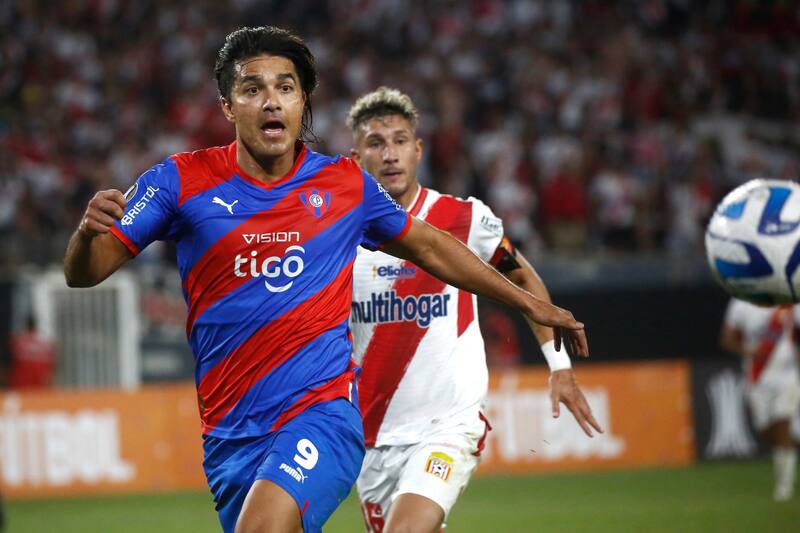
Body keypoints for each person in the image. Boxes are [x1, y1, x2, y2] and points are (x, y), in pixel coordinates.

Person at [63, 27, 588, 533]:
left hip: (322, 414)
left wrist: (531, 304)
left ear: (302, 102)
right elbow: (86, 273)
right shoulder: (179, 181)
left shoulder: (344, 185)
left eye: (285, 88)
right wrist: (87, 236)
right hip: (229, 435)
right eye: (252, 89)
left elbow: (429, 246)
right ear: (227, 107)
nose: (271, 102)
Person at [346, 87, 602, 532]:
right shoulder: (339, 233)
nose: (390, 154)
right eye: (376, 142)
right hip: (372, 436)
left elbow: (521, 276)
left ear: (418, 149)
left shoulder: (463, 218)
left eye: (400, 140)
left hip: (447, 423)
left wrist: (559, 366)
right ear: (356, 156)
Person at [720, 299, 800, 501]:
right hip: (757, 376)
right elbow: (727, 338)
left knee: (783, 424)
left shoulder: (789, 299)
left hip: (787, 375)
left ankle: (785, 486)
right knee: (766, 429)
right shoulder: (740, 302)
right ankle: (788, 452)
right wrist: (748, 351)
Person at [8, 315, 56, 389]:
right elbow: (51, 367)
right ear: (35, 326)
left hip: (20, 387)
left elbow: (9, 362)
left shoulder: (18, 341)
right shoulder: (45, 344)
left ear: (26, 326)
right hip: (39, 389)